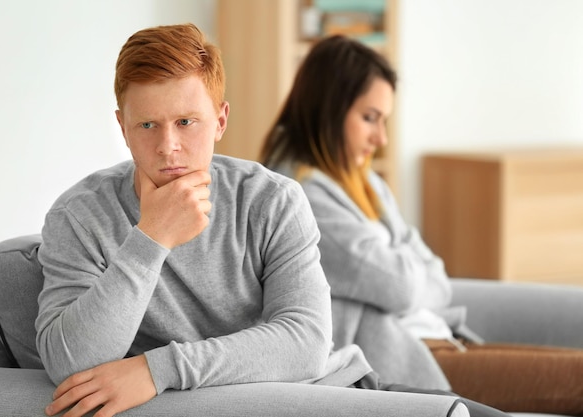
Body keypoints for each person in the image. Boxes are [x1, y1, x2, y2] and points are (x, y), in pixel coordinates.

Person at [35, 23, 502, 417]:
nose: (168, 147)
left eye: (186, 122)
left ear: (220, 121)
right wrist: (151, 239)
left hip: (333, 392)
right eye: (147, 125)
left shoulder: (273, 200)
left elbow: (306, 342)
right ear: (122, 127)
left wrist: (159, 370)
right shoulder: (79, 217)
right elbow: (68, 362)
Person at [259, 34, 583, 416]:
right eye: (369, 118)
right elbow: (400, 284)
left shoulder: (367, 184)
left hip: (439, 338)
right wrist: (408, 273)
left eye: (384, 120)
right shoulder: (301, 196)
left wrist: (408, 276)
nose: (380, 138)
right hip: (409, 358)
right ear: (327, 111)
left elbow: (433, 275)